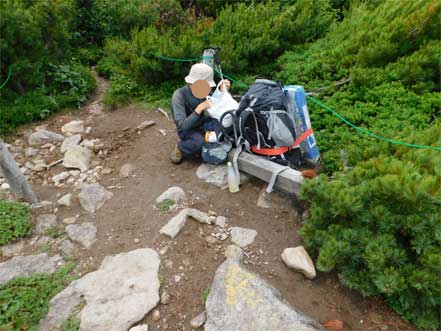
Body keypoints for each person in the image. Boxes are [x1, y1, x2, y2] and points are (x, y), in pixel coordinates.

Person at [170, 63, 230, 164]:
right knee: (199, 143)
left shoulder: (205, 91)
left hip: (205, 124)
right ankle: (181, 147)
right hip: (188, 129)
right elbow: (182, 126)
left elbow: (217, 106)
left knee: (226, 130)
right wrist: (200, 108)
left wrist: (223, 92)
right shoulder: (179, 96)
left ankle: (206, 145)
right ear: (192, 83)